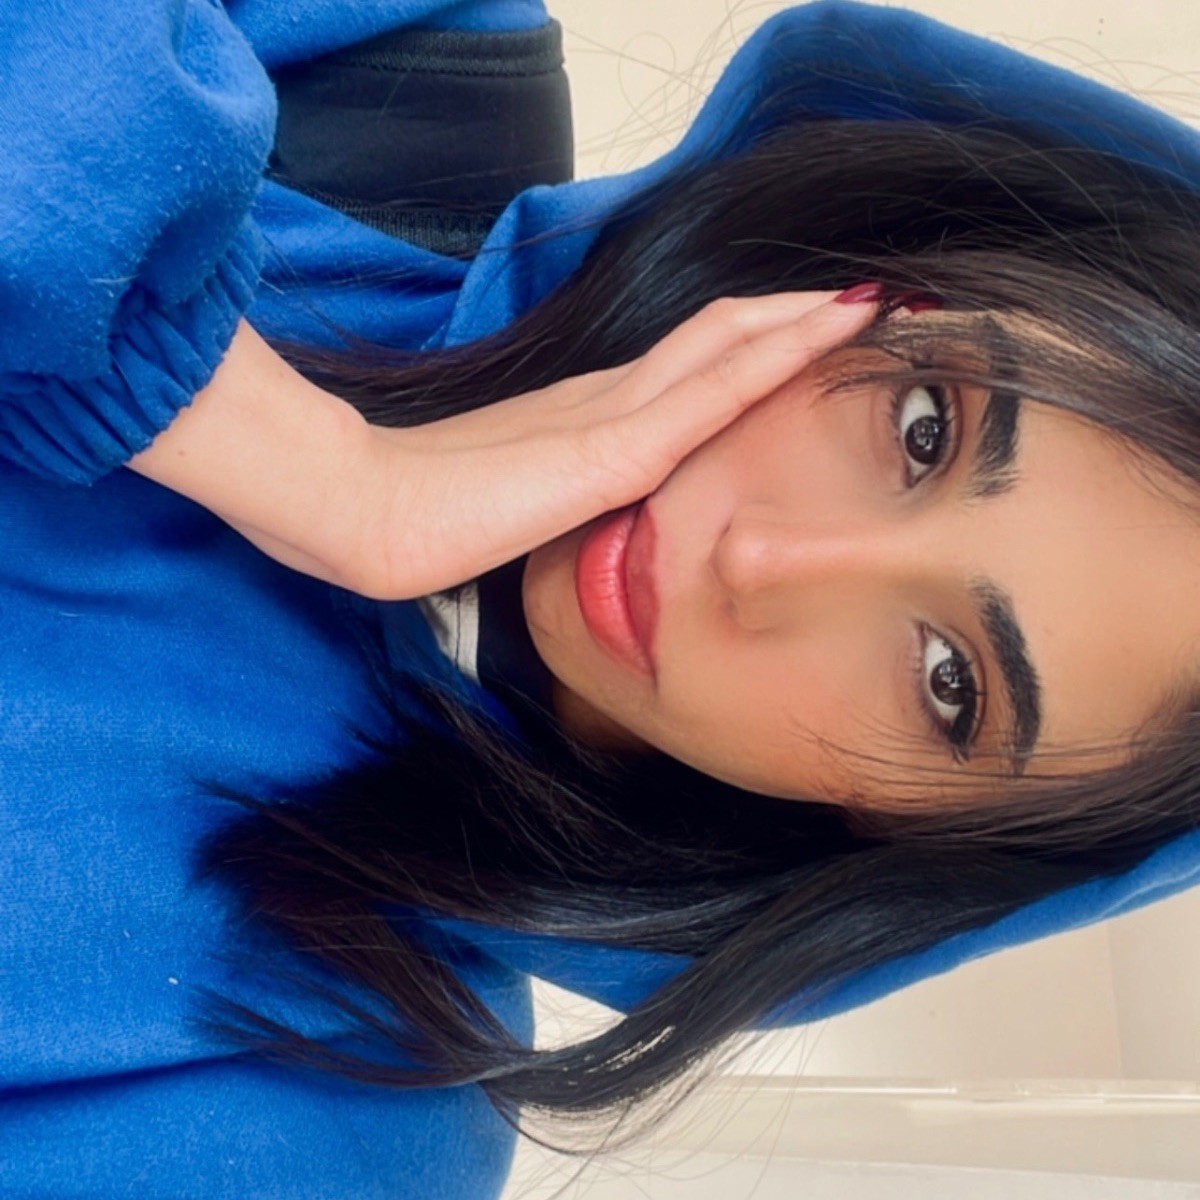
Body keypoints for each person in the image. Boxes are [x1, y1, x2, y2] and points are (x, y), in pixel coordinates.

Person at [4, 0, 1200, 1195]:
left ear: (921, 845)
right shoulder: (411, 57)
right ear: (900, 273)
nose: (765, 563)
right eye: (925, 426)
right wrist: (283, 452)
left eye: (948, 684)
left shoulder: (328, 1122)